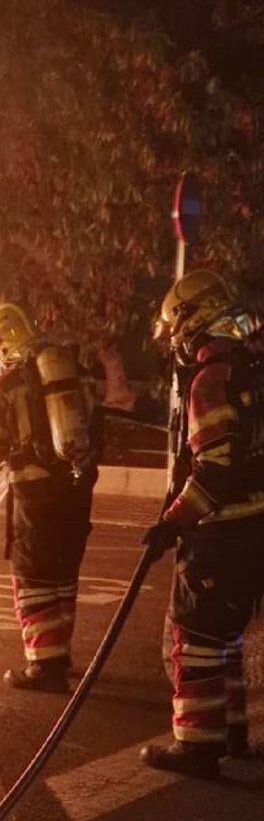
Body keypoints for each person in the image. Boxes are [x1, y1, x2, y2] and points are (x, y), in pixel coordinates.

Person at [141, 269, 264, 778]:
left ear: (191, 323)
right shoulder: (251, 370)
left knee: (193, 636)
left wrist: (172, 523)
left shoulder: (209, 381)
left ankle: (197, 744)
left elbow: (214, 470)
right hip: (254, 530)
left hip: (220, 534)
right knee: (224, 637)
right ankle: (232, 732)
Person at [0, 302, 100, 693]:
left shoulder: (7, 387)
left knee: (32, 578)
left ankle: (45, 666)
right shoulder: (75, 377)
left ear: (0, 343)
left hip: (34, 496)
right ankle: (58, 653)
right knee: (63, 574)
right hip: (77, 492)